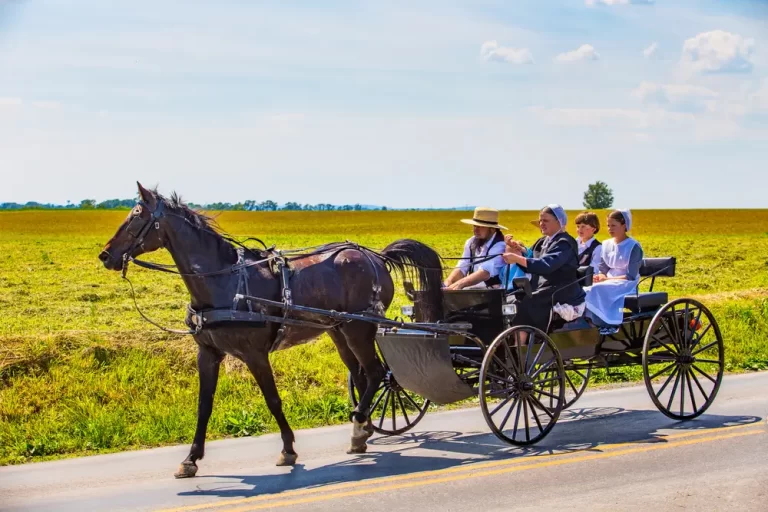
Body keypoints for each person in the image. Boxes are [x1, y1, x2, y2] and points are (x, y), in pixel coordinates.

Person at [502, 204, 585, 332]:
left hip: (561, 290)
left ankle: (521, 344)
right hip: (543, 288)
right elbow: (533, 257)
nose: (541, 223)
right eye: (540, 220)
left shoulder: (565, 242)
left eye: (545, 220)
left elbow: (546, 265)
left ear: (559, 221)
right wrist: (519, 251)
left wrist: (517, 258)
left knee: (525, 304)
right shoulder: (543, 241)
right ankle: (509, 337)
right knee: (510, 299)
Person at [584, 209, 644, 334]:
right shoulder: (606, 244)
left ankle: (608, 323)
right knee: (586, 288)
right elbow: (603, 269)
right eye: (608, 225)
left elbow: (631, 276)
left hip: (626, 283)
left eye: (614, 226)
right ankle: (592, 321)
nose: (610, 229)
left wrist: (607, 279)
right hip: (609, 281)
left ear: (624, 226)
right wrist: (600, 276)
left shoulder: (633, 246)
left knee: (597, 289)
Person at [443, 207, 507, 290]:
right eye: (474, 226)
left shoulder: (500, 245)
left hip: (492, 291)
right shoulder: (471, 242)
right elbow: (462, 266)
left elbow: (485, 273)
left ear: (492, 229)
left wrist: (459, 284)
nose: (476, 230)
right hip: (472, 288)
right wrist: (448, 283)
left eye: (480, 226)